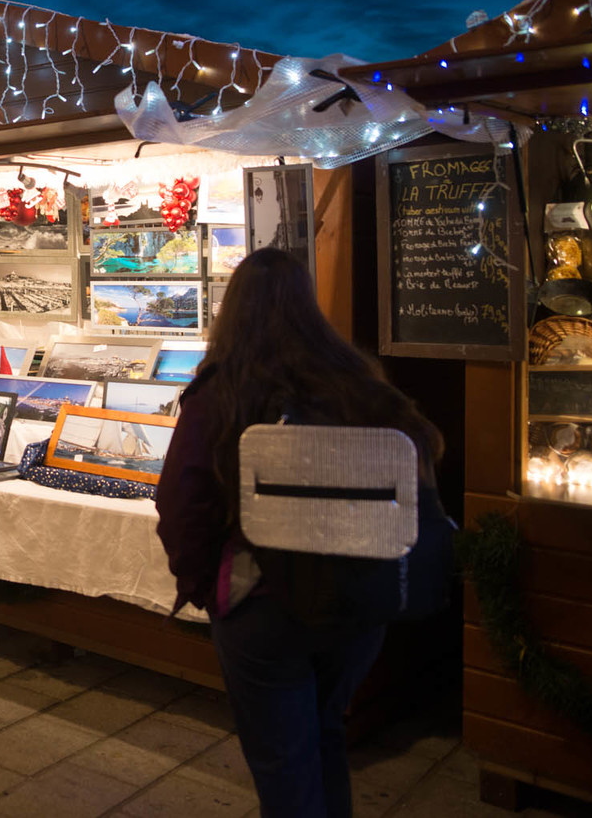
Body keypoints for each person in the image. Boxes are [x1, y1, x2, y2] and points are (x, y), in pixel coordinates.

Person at [154, 248, 443, 818]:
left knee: (283, 764)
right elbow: (425, 451)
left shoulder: (222, 392)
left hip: (262, 603)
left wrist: (205, 586)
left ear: (231, 312)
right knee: (326, 733)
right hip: (357, 595)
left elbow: (181, 503)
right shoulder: (358, 382)